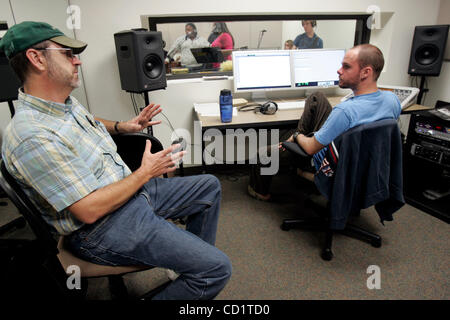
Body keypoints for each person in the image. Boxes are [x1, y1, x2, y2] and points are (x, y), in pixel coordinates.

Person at [0, 21, 231, 300]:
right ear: (36, 58)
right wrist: (145, 173)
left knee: (208, 185)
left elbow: (89, 121)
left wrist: (124, 126)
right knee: (216, 268)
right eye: (67, 54)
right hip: (101, 227)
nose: (78, 62)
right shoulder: (32, 136)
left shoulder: (61, 104)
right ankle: (197, 270)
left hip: (128, 194)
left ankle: (185, 268)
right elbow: (89, 210)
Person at [248, 44, 401, 201]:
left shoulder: (345, 111)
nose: (339, 70)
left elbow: (310, 148)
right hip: (363, 164)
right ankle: (295, 140)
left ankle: (260, 191)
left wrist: (297, 135)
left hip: (328, 164)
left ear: (366, 72)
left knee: (264, 153)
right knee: (317, 97)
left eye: (346, 67)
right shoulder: (392, 100)